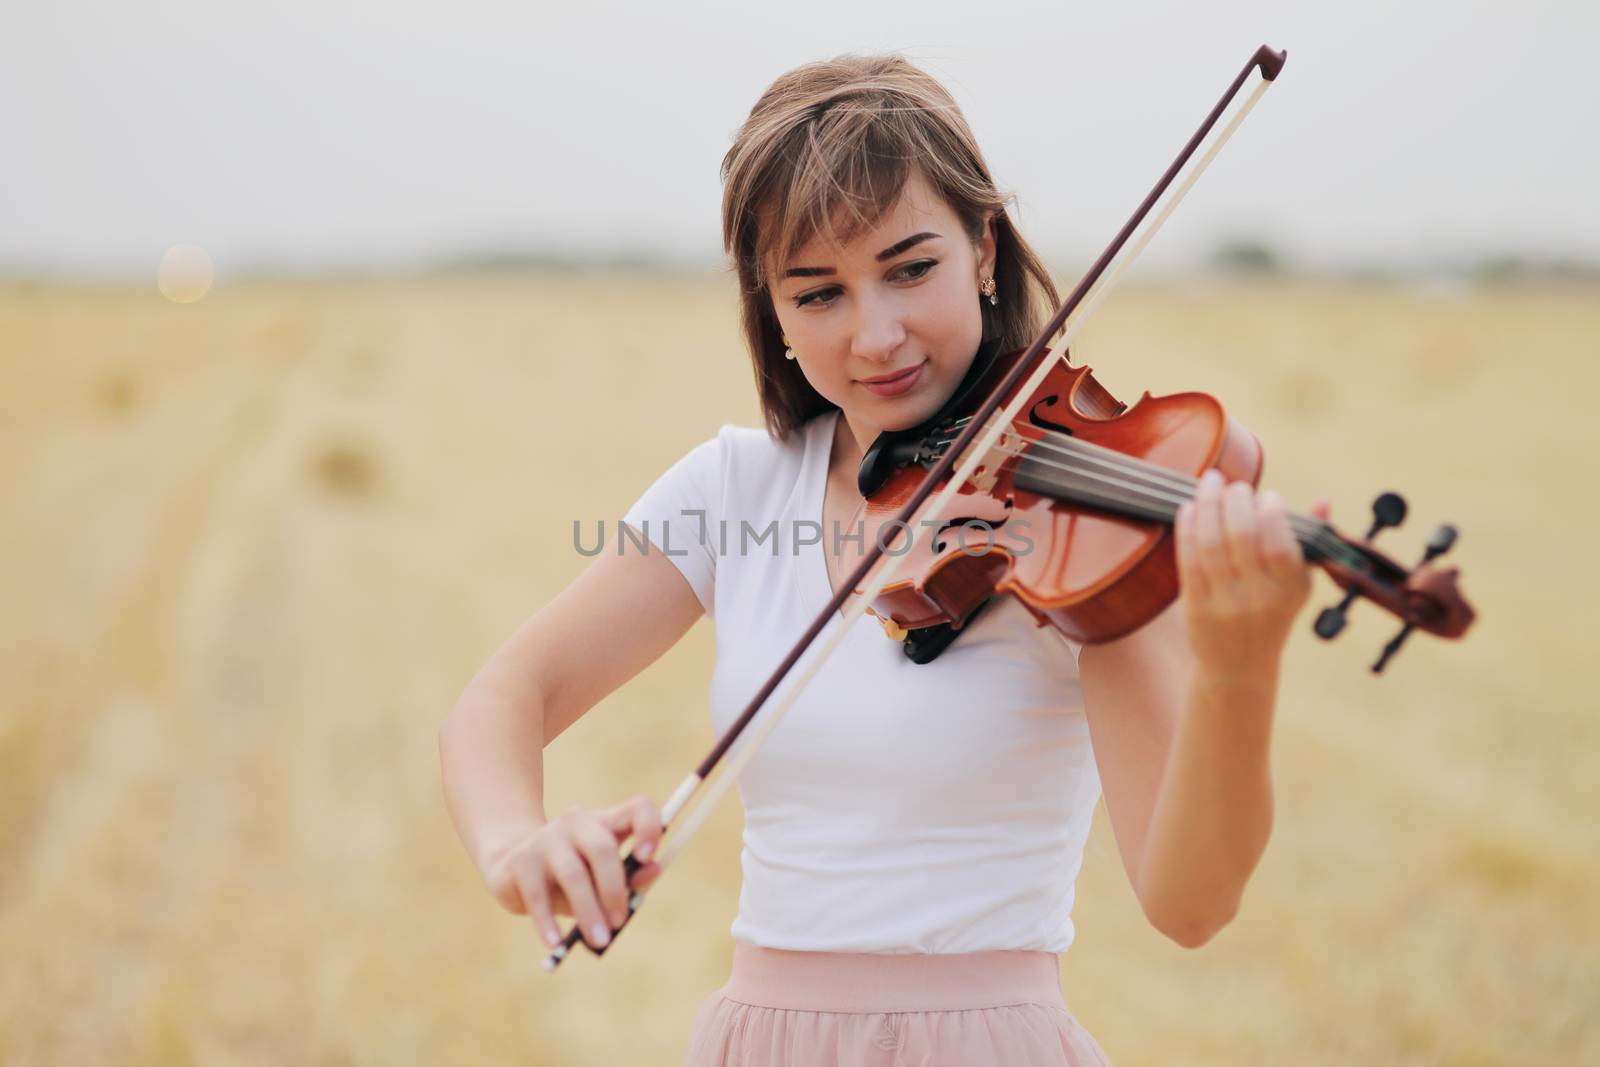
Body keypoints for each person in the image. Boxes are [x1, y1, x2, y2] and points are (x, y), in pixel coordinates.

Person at [439, 53, 1330, 1066]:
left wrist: (1239, 669)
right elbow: (504, 694)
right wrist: (518, 847)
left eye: (911, 269)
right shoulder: (732, 489)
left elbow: (1190, 901)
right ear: (770, 312)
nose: (876, 336)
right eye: (817, 293)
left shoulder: (1074, 528)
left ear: (984, 250)